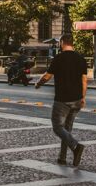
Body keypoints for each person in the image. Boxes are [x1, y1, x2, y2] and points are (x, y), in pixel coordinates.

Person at [35, 34, 87, 167]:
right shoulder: (81, 59)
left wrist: (38, 84)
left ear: (62, 43)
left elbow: (47, 76)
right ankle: (62, 157)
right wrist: (83, 97)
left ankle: (76, 146)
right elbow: (84, 81)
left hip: (62, 100)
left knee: (58, 128)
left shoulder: (58, 58)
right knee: (67, 130)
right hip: (76, 100)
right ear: (72, 43)